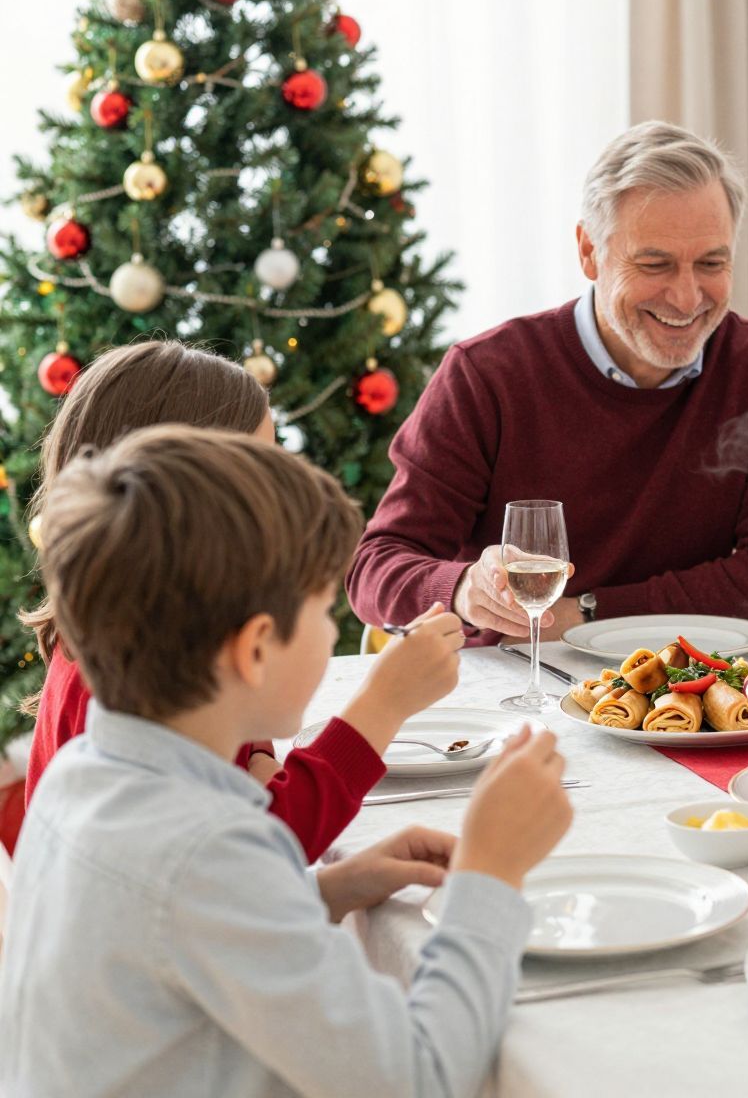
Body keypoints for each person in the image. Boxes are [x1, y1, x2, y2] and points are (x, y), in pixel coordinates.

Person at [0, 426, 574, 1095]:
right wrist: (490, 873)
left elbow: (165, 929)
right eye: (324, 612)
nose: (333, 635)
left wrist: (321, 891)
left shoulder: (83, 772)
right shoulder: (208, 852)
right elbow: (421, 1078)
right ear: (255, 650)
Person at [349, 121, 748, 642]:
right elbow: (375, 568)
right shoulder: (488, 374)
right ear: (588, 252)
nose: (687, 297)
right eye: (655, 264)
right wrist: (464, 587)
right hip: (519, 676)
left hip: (695, 675)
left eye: (711, 263)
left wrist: (589, 614)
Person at [21, 341, 455, 861]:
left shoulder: (139, 636)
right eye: (261, 472)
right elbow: (259, 851)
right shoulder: (127, 688)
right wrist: (383, 705)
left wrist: (259, 759)